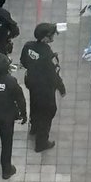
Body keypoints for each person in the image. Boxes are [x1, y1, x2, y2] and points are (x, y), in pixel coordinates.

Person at [20, 23, 66, 152]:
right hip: (45, 88)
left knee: (35, 104)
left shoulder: (28, 46)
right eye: (51, 35)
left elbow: (23, 61)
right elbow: (54, 74)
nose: (52, 37)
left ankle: (34, 127)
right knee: (48, 112)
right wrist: (61, 88)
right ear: (45, 38)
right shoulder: (48, 54)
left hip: (31, 82)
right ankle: (41, 143)